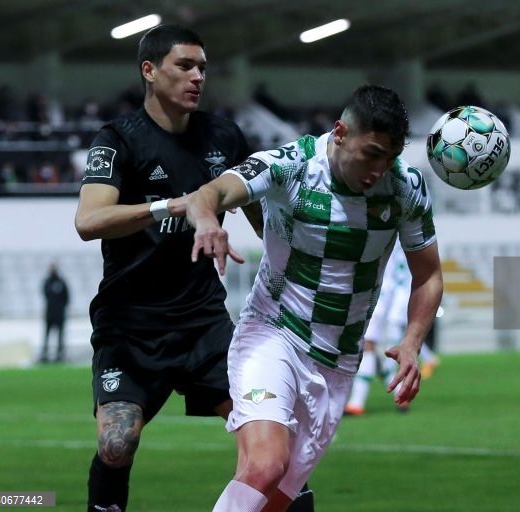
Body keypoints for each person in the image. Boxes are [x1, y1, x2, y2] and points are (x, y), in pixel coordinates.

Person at [74, 25, 314, 512]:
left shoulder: (224, 136)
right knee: (116, 445)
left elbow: (263, 216)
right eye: (185, 66)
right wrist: (172, 206)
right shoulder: (118, 139)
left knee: (278, 453)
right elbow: (88, 221)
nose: (198, 77)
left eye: (203, 67)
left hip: (205, 322)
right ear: (149, 70)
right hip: (131, 325)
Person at [184, 83, 444, 511]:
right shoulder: (291, 165)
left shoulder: (405, 189)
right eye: (372, 153)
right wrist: (207, 220)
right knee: (265, 466)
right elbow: (208, 193)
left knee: (276, 500)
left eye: (390, 157)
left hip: (338, 362)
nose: (380, 168)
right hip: (274, 334)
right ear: (340, 132)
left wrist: (413, 342)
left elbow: (429, 275)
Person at [344, 240, 440, 416]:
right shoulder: (402, 235)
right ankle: (400, 396)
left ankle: (356, 402)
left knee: (368, 345)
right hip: (390, 294)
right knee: (380, 351)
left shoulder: (385, 230)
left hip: (380, 294)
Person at [39, 262, 69, 363]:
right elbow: (45, 295)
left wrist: (61, 308)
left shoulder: (61, 282)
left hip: (59, 314)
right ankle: (45, 354)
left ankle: (60, 354)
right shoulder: (47, 282)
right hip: (49, 314)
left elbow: (67, 297)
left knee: (60, 335)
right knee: (47, 335)